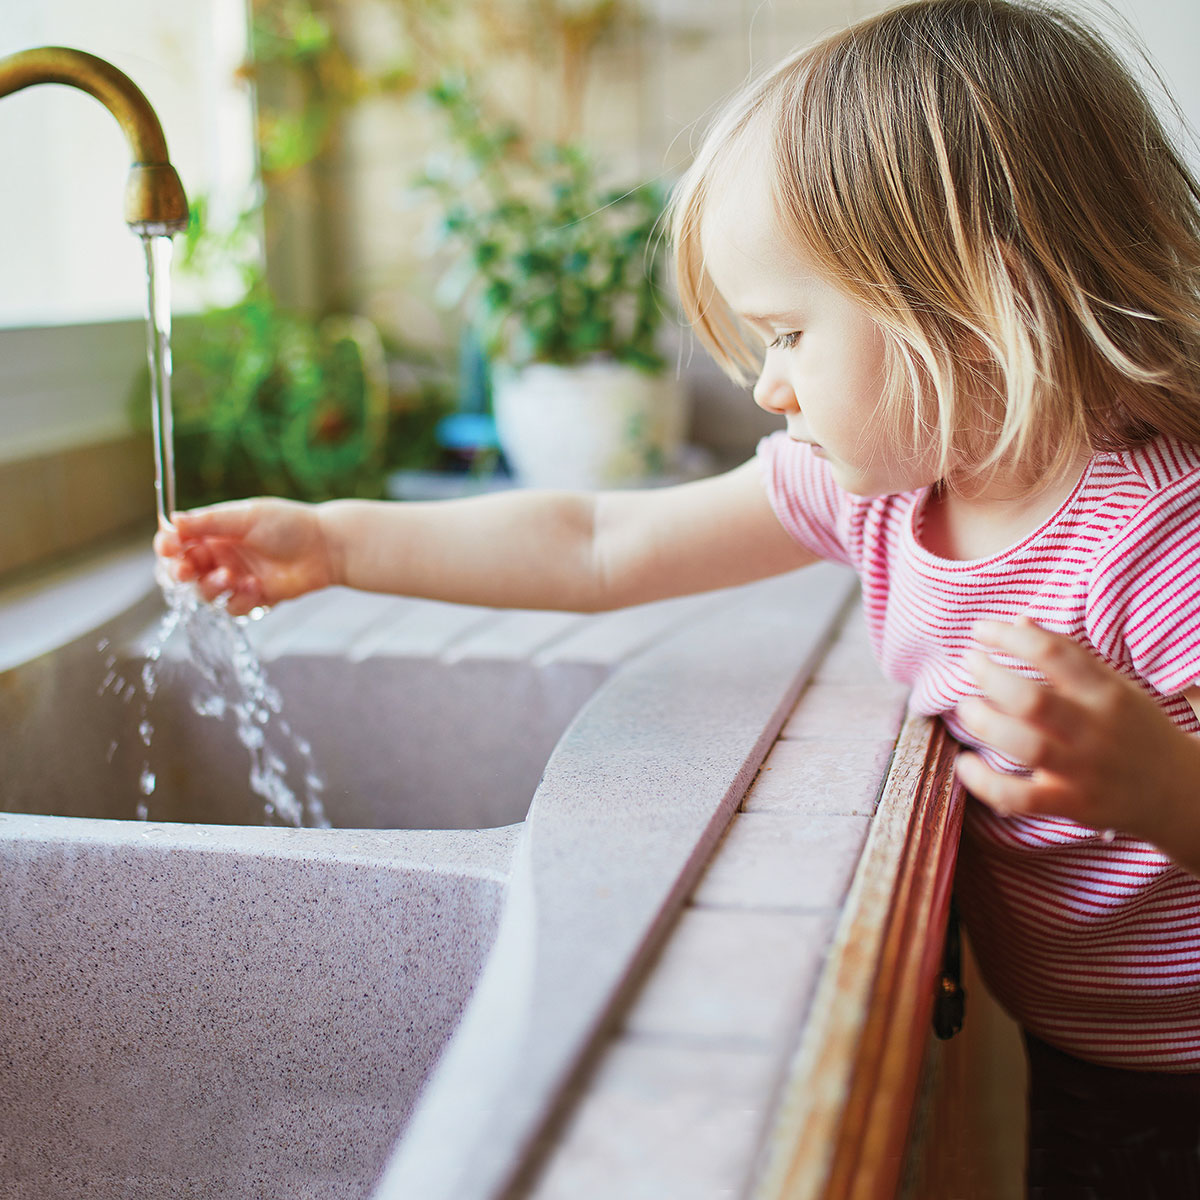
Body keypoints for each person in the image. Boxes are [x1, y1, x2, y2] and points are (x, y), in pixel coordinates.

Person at [157, 1, 1200, 1193]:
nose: (769, 387)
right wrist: (340, 545)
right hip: (1091, 1051)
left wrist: (1162, 785)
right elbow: (600, 540)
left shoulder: (1160, 545)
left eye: (790, 333)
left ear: (973, 314)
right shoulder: (884, 492)